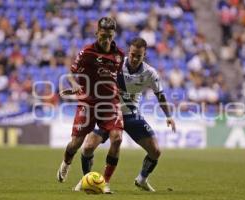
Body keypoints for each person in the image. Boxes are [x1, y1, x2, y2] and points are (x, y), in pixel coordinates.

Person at [74, 37, 176, 192]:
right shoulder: (116, 64)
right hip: (109, 112)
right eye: (133, 54)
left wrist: (168, 116)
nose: (135, 58)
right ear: (129, 51)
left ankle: (141, 179)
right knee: (88, 147)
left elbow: (160, 95)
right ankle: (86, 179)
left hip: (130, 115)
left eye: (139, 56)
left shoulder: (150, 73)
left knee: (155, 151)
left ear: (144, 55)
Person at [56, 17, 125, 194]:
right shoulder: (87, 52)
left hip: (110, 103)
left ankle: (105, 182)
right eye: (103, 36)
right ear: (97, 33)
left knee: (117, 139)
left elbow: (118, 78)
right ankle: (66, 163)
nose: (106, 40)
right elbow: (71, 73)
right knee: (75, 144)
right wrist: (75, 85)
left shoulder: (119, 55)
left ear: (113, 34)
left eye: (109, 36)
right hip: (88, 102)